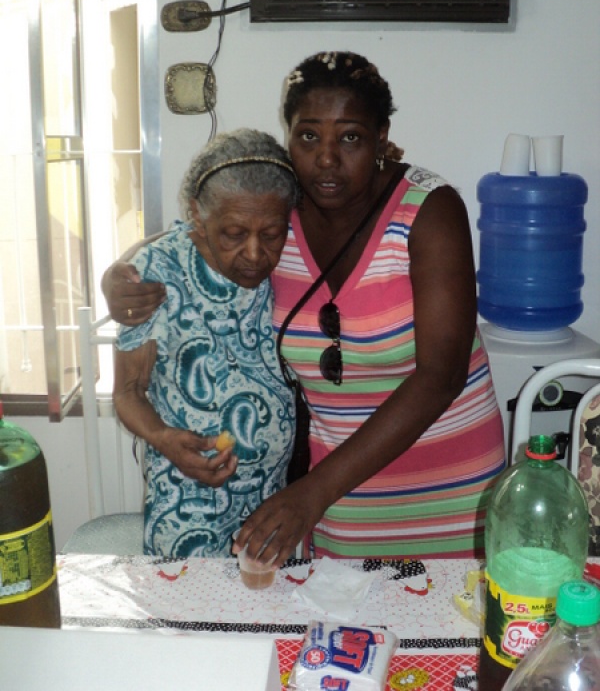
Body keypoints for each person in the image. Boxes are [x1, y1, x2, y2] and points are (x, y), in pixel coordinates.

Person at [104, 51, 506, 565]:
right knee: (345, 640)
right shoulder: (278, 216)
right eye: (309, 136)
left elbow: (441, 377)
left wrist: (310, 493)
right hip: (342, 504)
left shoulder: (430, 210)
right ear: (289, 136)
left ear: (382, 137)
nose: (327, 159)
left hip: (448, 489)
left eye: (351, 137)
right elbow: (192, 235)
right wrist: (119, 274)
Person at [111, 128, 298, 558]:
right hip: (187, 500)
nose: (255, 253)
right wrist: (162, 437)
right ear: (198, 214)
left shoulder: (292, 256)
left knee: (269, 618)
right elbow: (127, 390)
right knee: (189, 620)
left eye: (271, 234)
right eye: (234, 233)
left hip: (274, 500)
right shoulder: (156, 271)